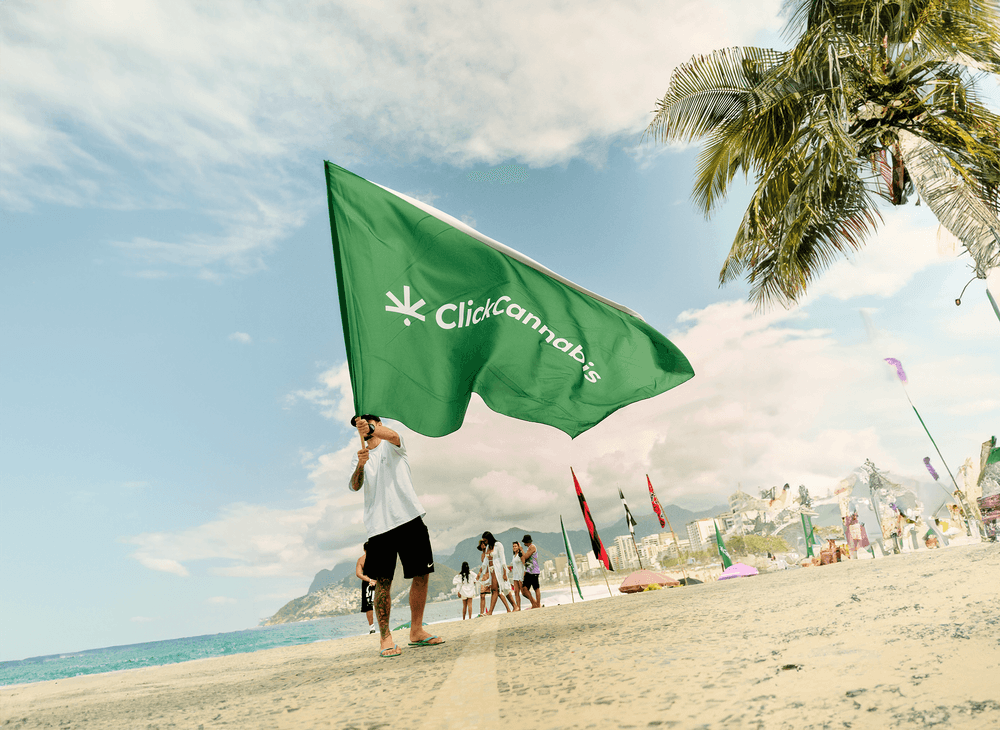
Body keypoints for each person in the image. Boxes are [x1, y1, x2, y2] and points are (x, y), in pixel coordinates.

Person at [349, 414, 444, 657]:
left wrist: (370, 428)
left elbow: (393, 435)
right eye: (360, 426)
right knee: (383, 582)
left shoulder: (394, 444)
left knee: (421, 573)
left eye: (369, 423)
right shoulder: (359, 456)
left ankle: (416, 631)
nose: (364, 428)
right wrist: (360, 464)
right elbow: (355, 485)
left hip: (409, 517)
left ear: (378, 424)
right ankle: (385, 638)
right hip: (379, 528)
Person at [482, 532, 516, 613]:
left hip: (499, 570)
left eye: (485, 540)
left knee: (501, 589)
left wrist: (504, 573)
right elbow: (485, 561)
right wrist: (481, 573)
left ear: (489, 538)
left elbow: (502, 559)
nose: (484, 542)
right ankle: (514, 606)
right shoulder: (487, 548)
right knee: (496, 590)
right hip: (492, 571)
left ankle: (491, 611)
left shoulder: (498, 545)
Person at [356, 543, 377, 634]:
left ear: (364, 549)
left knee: (369, 606)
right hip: (377, 581)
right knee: (381, 602)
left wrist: (369, 580)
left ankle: (372, 627)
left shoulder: (361, 559)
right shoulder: (377, 556)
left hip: (367, 583)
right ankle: (384, 625)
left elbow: (358, 574)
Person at [520, 534, 541, 609]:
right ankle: (534, 603)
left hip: (534, 571)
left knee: (536, 588)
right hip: (529, 571)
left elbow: (525, 557)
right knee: (524, 589)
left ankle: (537, 605)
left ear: (526, 542)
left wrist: (521, 550)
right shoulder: (529, 548)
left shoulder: (532, 547)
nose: (524, 544)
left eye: (524, 542)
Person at [509, 541, 525, 610]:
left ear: (518, 547)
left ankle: (535, 603)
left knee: (524, 592)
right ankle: (518, 607)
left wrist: (524, 575)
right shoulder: (514, 556)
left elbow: (524, 564)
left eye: (515, 546)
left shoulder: (520, 555)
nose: (514, 547)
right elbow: (513, 566)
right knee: (516, 592)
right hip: (515, 576)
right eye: (513, 546)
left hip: (520, 576)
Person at [476, 538, 490, 616]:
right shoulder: (482, 555)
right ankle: (482, 612)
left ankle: (510, 608)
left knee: (498, 593)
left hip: (491, 573)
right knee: (482, 594)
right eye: (481, 544)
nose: (483, 545)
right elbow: (483, 565)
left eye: (484, 543)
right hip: (485, 575)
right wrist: (479, 573)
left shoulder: (489, 552)